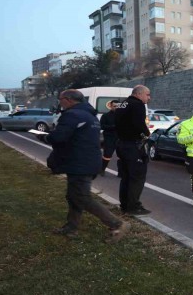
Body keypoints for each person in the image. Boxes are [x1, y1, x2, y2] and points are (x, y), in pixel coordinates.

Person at [41, 89, 130, 243]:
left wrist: (45, 136)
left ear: (68, 100)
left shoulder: (72, 115)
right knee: (74, 196)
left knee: (82, 197)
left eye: (60, 99)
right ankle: (71, 227)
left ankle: (117, 224)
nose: (59, 102)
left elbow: (59, 137)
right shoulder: (90, 115)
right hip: (89, 160)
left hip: (79, 162)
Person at [115, 85, 152, 215]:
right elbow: (139, 124)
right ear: (139, 94)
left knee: (126, 177)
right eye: (147, 95)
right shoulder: (137, 105)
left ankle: (124, 205)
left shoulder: (123, 104)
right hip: (133, 145)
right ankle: (133, 206)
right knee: (137, 177)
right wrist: (147, 134)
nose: (149, 97)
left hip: (121, 144)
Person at [99, 99, 119, 176]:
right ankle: (102, 169)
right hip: (109, 137)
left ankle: (121, 172)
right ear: (110, 106)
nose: (116, 108)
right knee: (107, 154)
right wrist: (112, 127)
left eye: (117, 106)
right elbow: (101, 126)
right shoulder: (106, 116)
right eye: (114, 106)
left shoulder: (122, 116)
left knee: (122, 155)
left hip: (120, 138)